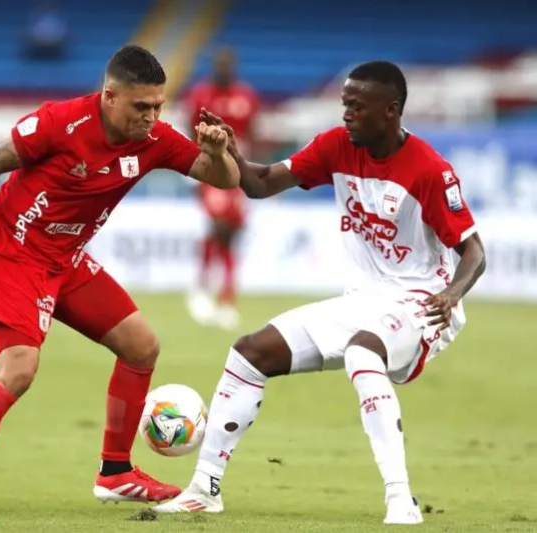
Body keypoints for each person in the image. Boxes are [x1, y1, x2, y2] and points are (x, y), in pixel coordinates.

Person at [154, 61, 486, 525]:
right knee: (249, 353)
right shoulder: (336, 146)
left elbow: (474, 251)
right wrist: (231, 152)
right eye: (344, 103)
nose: (346, 113)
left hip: (421, 303)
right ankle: (204, 488)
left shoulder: (429, 169)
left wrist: (451, 294)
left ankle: (401, 499)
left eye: (356, 106)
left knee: (362, 352)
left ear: (390, 111)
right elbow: (260, 183)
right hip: (363, 300)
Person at [0, 45, 240, 516]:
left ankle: (115, 473)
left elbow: (223, 179)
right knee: (19, 371)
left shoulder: (153, 139)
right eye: (142, 107)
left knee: (142, 346)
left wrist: (217, 154)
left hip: (66, 260)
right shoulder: (61, 123)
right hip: (13, 254)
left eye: (158, 106)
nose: (151, 117)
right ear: (109, 97)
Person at [183, 47, 260, 329]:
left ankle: (226, 297)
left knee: (231, 233)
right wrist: (193, 173)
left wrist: (252, 173)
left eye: (229, 64)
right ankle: (202, 289)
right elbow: (189, 130)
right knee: (216, 228)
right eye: (220, 63)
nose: (224, 68)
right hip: (211, 170)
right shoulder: (201, 95)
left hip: (238, 172)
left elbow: (253, 134)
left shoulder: (247, 97)